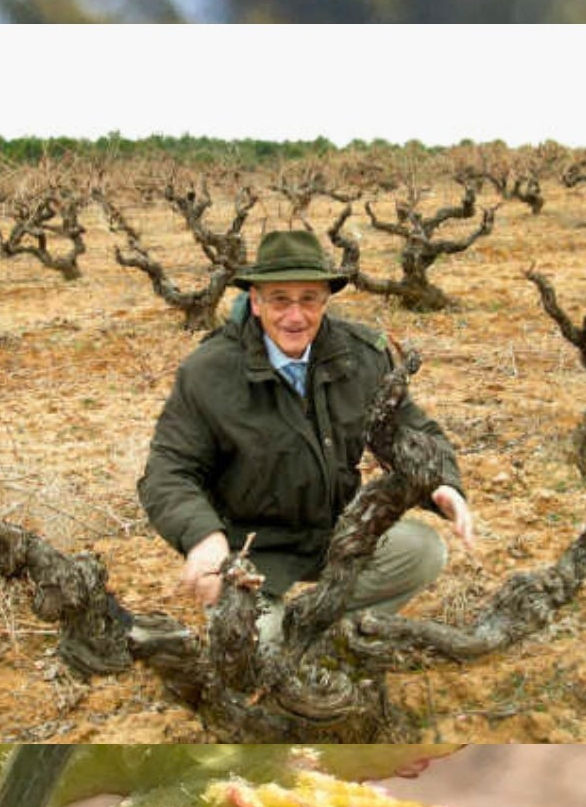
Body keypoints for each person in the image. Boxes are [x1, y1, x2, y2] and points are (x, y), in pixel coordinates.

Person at [138, 227, 475, 622]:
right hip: (251, 550)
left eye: (309, 299)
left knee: (421, 551)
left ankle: (321, 630)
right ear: (256, 302)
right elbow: (167, 471)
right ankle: (273, 629)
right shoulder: (208, 372)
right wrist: (203, 538)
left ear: (325, 300)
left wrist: (442, 483)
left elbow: (411, 428)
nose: (295, 316)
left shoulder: (362, 356)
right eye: (280, 300)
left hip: (338, 534)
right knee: (257, 659)